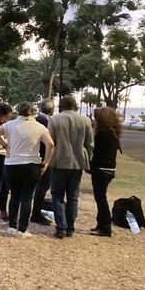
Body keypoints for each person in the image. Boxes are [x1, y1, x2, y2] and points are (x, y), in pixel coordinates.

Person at [0, 102, 54, 238]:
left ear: (18, 111)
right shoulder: (40, 127)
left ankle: (12, 226)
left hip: (12, 164)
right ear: (33, 112)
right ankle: (22, 229)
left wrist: (5, 145)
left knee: (14, 195)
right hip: (31, 164)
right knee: (27, 197)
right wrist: (46, 162)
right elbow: (50, 144)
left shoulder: (10, 125)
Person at [48, 95, 94, 239]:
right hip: (77, 162)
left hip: (59, 161)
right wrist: (87, 157)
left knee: (57, 195)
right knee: (73, 196)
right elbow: (90, 144)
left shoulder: (54, 120)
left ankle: (61, 226)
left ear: (61, 106)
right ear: (76, 106)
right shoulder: (85, 121)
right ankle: (70, 228)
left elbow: (50, 141)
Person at [90, 107, 122, 237]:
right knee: (100, 197)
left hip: (101, 169)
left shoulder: (101, 134)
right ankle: (101, 224)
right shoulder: (113, 134)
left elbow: (96, 153)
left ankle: (105, 226)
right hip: (109, 169)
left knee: (101, 199)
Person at [31, 98, 55, 225]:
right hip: (44, 156)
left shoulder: (37, 119)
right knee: (43, 185)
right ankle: (36, 213)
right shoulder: (46, 121)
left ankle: (36, 210)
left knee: (40, 186)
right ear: (51, 109)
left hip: (36, 154)